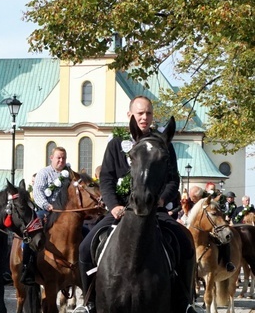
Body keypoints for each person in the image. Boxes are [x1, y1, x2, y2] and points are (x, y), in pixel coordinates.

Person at [74, 96, 195, 313]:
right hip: (121, 210)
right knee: (84, 249)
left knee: (185, 243)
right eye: (140, 113)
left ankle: (186, 303)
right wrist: (112, 206)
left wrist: (162, 199)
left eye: (148, 113)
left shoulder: (163, 143)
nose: (144, 117)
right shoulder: (115, 144)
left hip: (154, 210)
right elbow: (107, 179)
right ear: (130, 116)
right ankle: (89, 303)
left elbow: (172, 180)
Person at [22, 146, 70, 284]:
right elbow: (37, 193)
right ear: (51, 158)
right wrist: (47, 205)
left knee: (83, 231)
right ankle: (27, 267)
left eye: (64, 158)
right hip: (47, 210)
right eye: (58, 158)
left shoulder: (69, 174)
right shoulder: (44, 173)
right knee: (31, 233)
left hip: (65, 213)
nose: (61, 160)